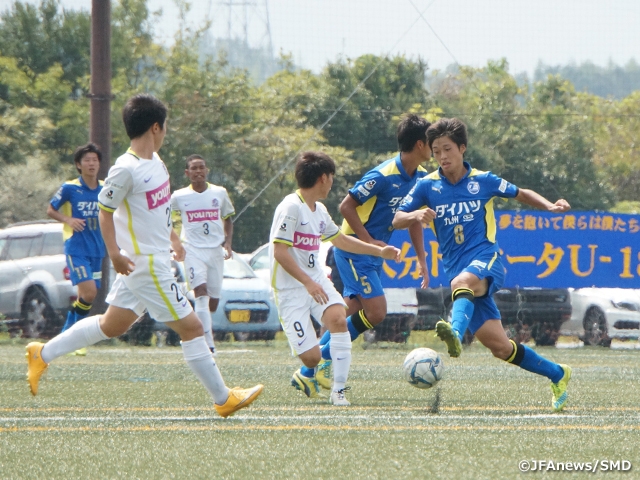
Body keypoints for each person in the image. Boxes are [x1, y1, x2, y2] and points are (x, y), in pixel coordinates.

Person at [26, 94, 263, 417]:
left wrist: (174, 240)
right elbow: (105, 212)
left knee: (112, 325)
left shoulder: (157, 162)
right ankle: (223, 399)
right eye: (165, 126)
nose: (165, 132)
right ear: (155, 127)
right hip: (145, 264)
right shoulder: (125, 169)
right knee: (192, 328)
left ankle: (42, 353)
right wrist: (115, 254)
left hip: (155, 259)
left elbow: (156, 212)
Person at [392, 117, 572, 411]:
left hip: (487, 259)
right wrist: (415, 216)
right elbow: (397, 218)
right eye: (436, 150)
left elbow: (520, 192)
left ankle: (455, 330)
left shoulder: (483, 180)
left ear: (462, 148)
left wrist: (550, 206)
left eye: (447, 149)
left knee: (460, 284)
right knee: (501, 348)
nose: (442, 156)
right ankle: (558, 374)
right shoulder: (427, 186)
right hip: (459, 272)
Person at [270, 151, 400, 406]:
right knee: (312, 358)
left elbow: (340, 240)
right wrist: (307, 283)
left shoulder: (318, 210)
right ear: (322, 178)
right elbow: (279, 252)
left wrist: (378, 250)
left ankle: (338, 391)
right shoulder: (291, 207)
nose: (332, 182)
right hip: (291, 289)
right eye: (331, 176)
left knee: (339, 319)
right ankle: (312, 372)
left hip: (316, 280)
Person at [315, 114, 431, 389]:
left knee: (349, 309)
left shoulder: (421, 179)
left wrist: (422, 260)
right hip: (354, 249)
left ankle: (312, 367)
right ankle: (319, 360)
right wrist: (369, 241)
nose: (435, 149)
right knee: (377, 311)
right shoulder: (382, 175)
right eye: (431, 143)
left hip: (373, 254)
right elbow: (346, 206)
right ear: (418, 144)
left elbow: (414, 219)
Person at [170, 154, 235, 354]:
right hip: (192, 250)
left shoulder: (220, 193)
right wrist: (176, 245)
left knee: (212, 302)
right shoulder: (179, 196)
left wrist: (228, 243)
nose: (198, 171)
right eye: (194, 168)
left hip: (215, 250)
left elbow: (228, 218)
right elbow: (168, 221)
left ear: (207, 171)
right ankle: (207, 343)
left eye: (201, 167)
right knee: (201, 293)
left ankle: (196, 320)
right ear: (187, 173)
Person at [47, 143, 105, 356]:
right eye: (87, 160)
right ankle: (68, 337)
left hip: (97, 249)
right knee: (90, 292)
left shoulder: (105, 189)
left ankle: (70, 339)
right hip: (76, 247)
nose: (91, 163)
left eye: (95, 160)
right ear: (78, 165)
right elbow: (50, 209)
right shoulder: (70, 188)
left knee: (85, 296)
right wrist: (68, 219)